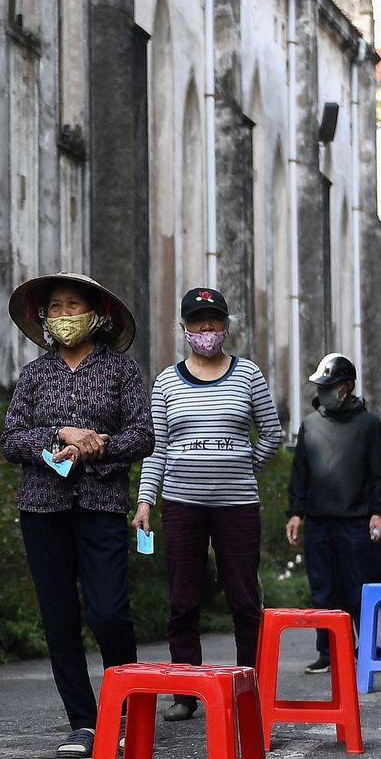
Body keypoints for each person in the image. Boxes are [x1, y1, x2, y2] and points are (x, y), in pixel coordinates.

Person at [1, 274, 152, 756]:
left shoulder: (121, 370)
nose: (65, 314)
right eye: (57, 307)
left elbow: (142, 434)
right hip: (41, 508)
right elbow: (11, 440)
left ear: (97, 314)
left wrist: (98, 446)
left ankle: (127, 711)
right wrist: (60, 434)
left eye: (74, 305)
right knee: (59, 616)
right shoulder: (33, 374)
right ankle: (83, 722)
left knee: (110, 611)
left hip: (102, 505)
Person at [134, 287, 283, 716]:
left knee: (243, 599)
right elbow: (156, 449)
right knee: (183, 600)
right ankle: (185, 692)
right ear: (184, 328)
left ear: (225, 326)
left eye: (213, 322)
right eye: (198, 322)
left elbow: (271, 433)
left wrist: (240, 463)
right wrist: (145, 503)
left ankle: (249, 687)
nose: (206, 330)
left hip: (237, 505)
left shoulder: (248, 375)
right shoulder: (165, 381)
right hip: (182, 505)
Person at [286, 354, 381, 675]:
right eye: (321, 386)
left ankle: (366, 645)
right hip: (318, 522)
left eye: (330, 386)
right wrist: (295, 513)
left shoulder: (369, 425)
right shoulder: (310, 425)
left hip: (355, 521)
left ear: (347, 387)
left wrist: (379, 513)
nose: (324, 392)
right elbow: (300, 474)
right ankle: (329, 650)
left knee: (357, 587)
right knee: (323, 588)